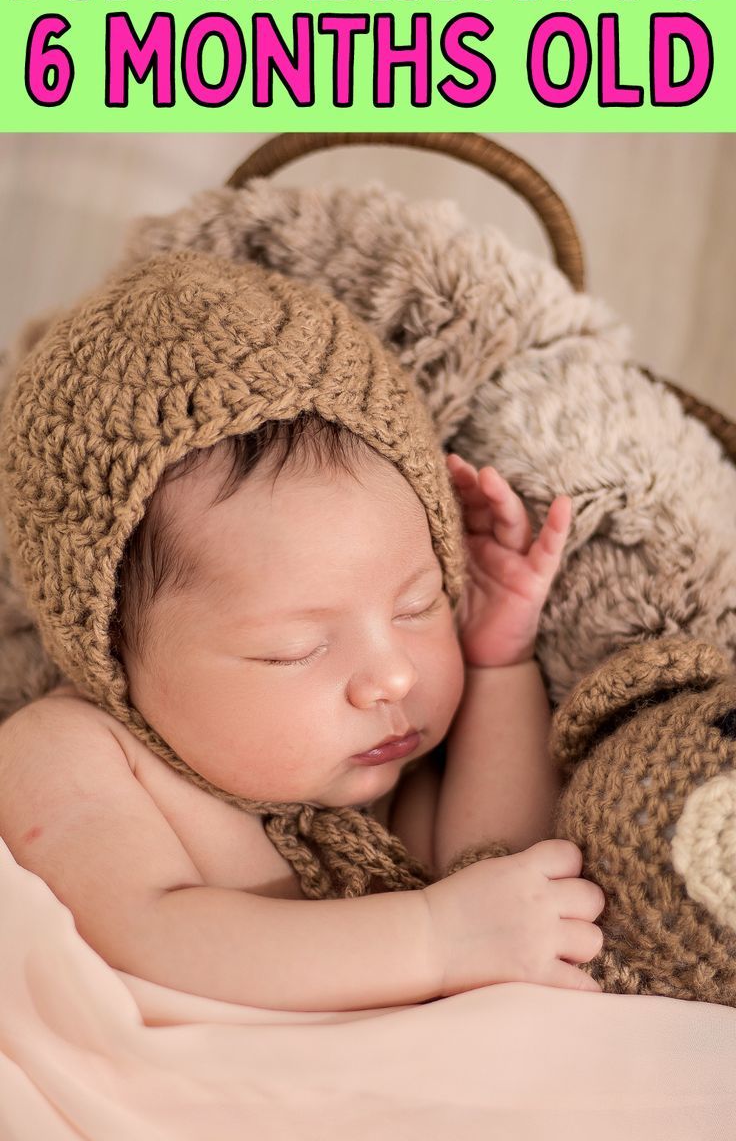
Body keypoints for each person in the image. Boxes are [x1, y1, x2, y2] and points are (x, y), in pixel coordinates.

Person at [0, 250, 603, 1012]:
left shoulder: (386, 776)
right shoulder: (70, 753)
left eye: (417, 606)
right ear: (109, 650)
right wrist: (431, 939)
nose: (392, 676)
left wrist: (495, 660)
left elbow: (514, 871)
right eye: (296, 649)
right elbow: (145, 935)